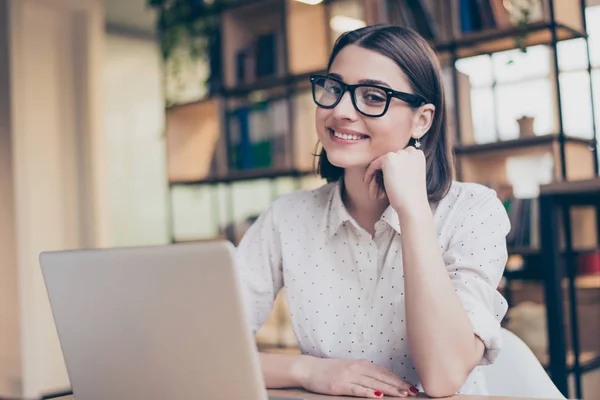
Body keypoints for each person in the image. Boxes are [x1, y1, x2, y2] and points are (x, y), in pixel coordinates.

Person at [235, 24, 510, 398]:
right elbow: (203, 349)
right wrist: (307, 370)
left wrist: (412, 212)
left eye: (373, 96)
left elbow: (444, 377)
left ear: (422, 120)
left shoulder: (473, 211)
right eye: (334, 89)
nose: (341, 110)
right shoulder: (287, 217)